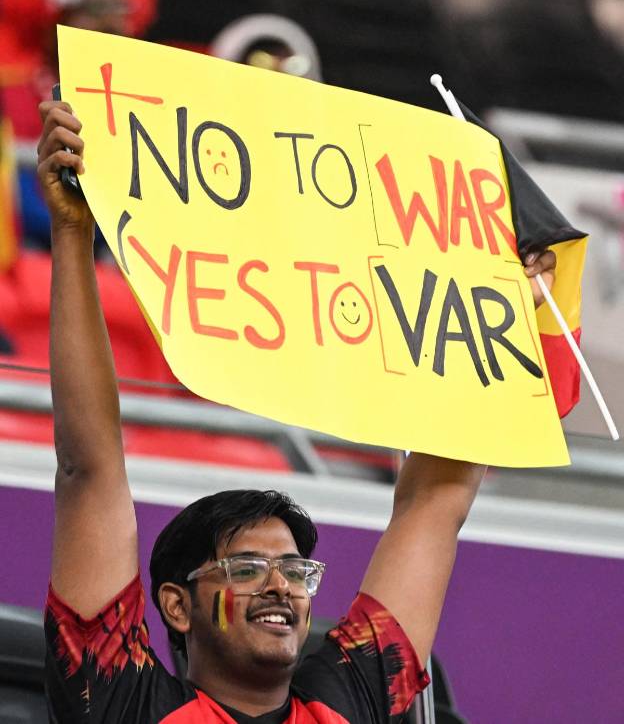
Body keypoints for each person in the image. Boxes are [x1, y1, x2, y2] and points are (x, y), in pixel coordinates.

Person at [37, 98, 556, 723]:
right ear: (177, 607)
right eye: (248, 568)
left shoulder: (345, 704)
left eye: (295, 570)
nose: (281, 586)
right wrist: (71, 235)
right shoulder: (125, 704)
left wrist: (495, 318)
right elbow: (88, 471)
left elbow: (434, 507)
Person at [0, 0, 157, 248]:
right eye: (96, 9)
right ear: (52, 18)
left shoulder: (148, 97)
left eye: (122, 7)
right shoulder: (10, 92)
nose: (113, 23)